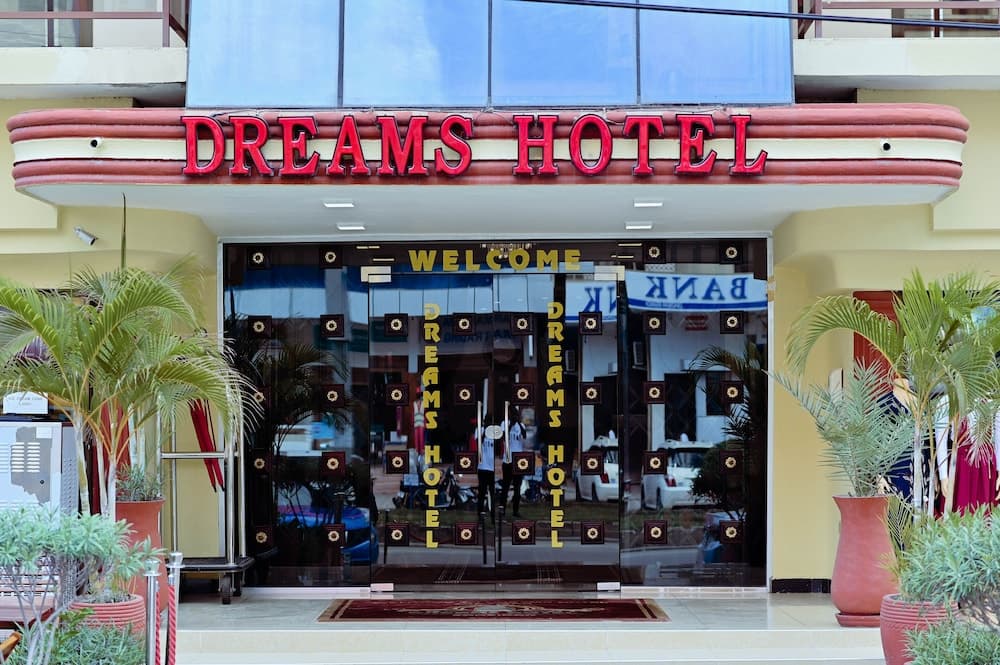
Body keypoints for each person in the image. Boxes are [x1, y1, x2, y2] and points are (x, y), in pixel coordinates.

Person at [499, 407, 526, 517]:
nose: (514, 416)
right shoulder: (504, 423)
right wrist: (511, 424)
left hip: (518, 460)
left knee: (517, 487)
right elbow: (503, 437)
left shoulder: (521, 425)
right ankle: (502, 509)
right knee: (505, 486)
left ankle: (515, 510)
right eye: (512, 414)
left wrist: (518, 423)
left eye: (515, 414)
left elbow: (524, 436)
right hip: (508, 459)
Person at [476, 412, 498, 522]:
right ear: (484, 421)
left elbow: (497, 447)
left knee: (492, 493)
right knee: (482, 493)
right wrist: (485, 431)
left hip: (491, 468)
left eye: (490, 421)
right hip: (482, 467)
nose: (489, 423)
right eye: (487, 421)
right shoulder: (479, 430)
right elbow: (478, 442)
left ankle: (493, 517)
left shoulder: (494, 432)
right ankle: (480, 515)